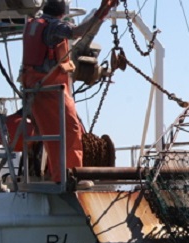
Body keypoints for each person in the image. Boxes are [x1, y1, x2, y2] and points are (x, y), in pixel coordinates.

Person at [21, 0, 118, 188]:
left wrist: (102, 11)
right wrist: (101, 13)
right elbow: (77, 32)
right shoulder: (54, 27)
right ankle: (73, 175)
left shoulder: (34, 24)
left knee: (51, 134)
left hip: (34, 88)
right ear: (63, 14)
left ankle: (59, 175)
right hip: (50, 90)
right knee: (71, 130)